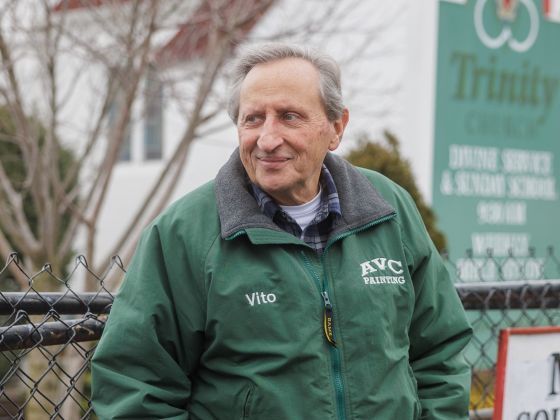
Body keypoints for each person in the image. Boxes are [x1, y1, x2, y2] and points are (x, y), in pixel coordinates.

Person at [91, 43, 472, 419]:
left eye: (289, 117)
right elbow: (134, 385)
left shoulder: (387, 209)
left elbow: (440, 351)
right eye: (253, 119)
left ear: (336, 128)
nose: (268, 139)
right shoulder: (183, 235)